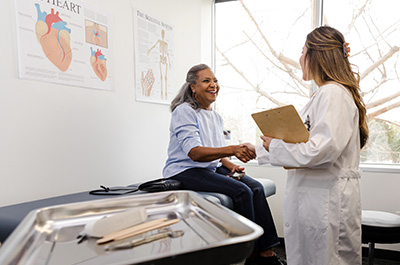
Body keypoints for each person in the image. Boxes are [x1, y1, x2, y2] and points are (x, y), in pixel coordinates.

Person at [245, 26, 369, 265]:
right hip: (319, 197)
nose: (300, 57)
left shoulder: (332, 93)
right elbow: (305, 143)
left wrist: (275, 146)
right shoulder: (325, 94)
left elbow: (322, 151)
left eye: (302, 51)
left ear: (316, 55)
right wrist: (257, 150)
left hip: (326, 200)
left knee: (325, 258)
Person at [163, 64, 286, 265]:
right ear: (193, 87)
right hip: (184, 171)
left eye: (215, 81)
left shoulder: (216, 116)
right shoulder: (184, 111)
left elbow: (217, 151)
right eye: (206, 81)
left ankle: (267, 253)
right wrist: (232, 150)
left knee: (255, 187)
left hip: (208, 167)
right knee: (241, 192)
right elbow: (194, 153)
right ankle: (249, 255)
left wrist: (230, 165)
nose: (213, 85)